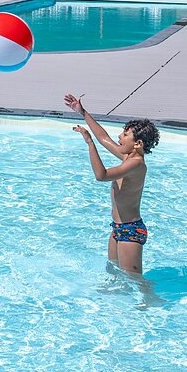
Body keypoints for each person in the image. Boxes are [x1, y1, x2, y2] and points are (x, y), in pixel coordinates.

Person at [64, 93, 160, 275]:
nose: (120, 136)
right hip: (118, 228)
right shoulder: (127, 157)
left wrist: (89, 143)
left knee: (136, 283)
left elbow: (101, 175)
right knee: (114, 274)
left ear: (138, 143)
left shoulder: (136, 164)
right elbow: (104, 138)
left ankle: (149, 304)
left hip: (130, 232)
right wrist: (82, 112)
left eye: (125, 134)